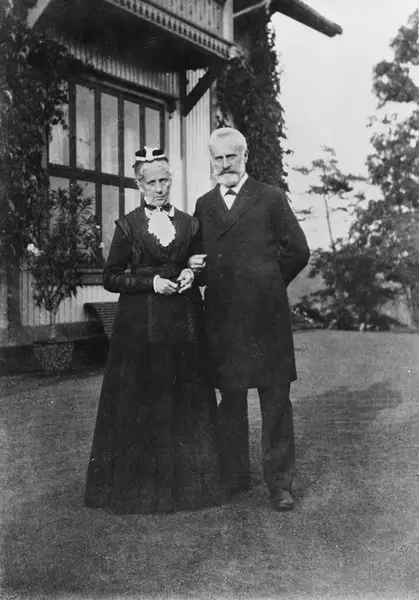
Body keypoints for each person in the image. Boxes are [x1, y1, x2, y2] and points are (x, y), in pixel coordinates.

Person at [84, 147, 222, 514]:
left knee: (185, 399)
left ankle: (188, 491)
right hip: (139, 329)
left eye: (164, 181)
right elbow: (111, 277)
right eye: (152, 183)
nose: (159, 189)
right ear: (139, 185)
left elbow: (204, 268)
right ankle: (140, 491)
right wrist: (151, 283)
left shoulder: (190, 225)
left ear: (170, 181)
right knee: (142, 402)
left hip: (183, 326)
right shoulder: (127, 226)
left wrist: (191, 273)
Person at [189, 128, 310, 511]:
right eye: (218, 158)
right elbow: (199, 262)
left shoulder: (271, 197)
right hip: (224, 319)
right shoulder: (204, 204)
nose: (225, 164)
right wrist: (196, 268)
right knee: (231, 401)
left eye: (232, 156)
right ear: (211, 161)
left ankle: (280, 486)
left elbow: (299, 250)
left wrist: (269, 282)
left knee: (275, 401)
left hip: (266, 317)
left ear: (245, 157)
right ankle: (233, 479)